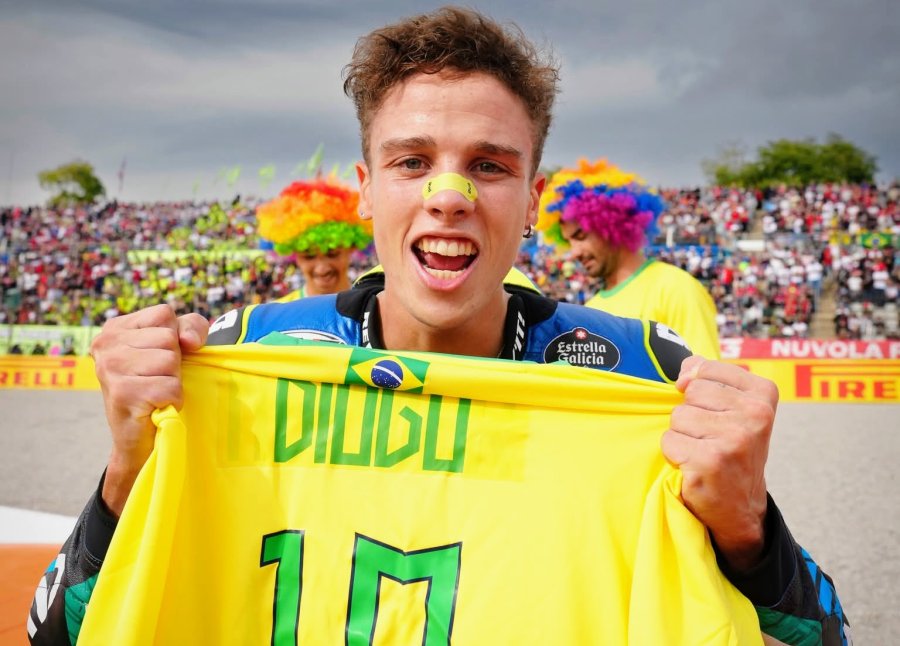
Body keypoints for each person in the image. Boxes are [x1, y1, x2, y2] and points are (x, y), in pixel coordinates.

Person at [29, 7, 849, 645]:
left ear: (533, 202)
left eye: (489, 165)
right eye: (412, 160)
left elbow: (828, 632)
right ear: (365, 190)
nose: (447, 194)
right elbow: (54, 631)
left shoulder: (641, 378)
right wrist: (126, 477)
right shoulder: (239, 356)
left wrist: (748, 532)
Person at [537, 158, 722, 359]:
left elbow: (705, 380)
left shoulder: (675, 289)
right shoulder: (592, 309)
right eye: (568, 241)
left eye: (581, 236)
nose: (574, 252)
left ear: (612, 224)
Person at [255, 175, 373, 299]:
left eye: (332, 254)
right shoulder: (281, 313)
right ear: (294, 255)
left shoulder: (374, 308)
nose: (321, 269)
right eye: (309, 257)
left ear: (352, 247)